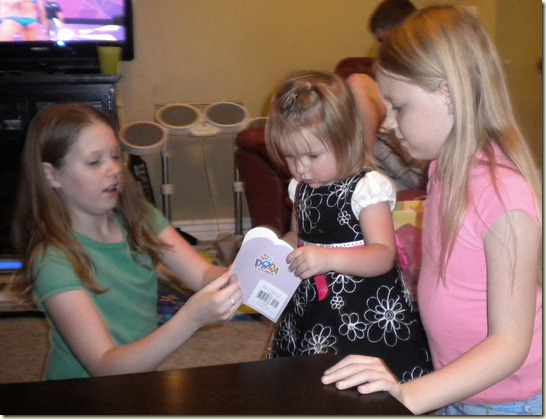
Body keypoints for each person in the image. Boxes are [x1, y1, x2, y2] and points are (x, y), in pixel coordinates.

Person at [321, 5, 542, 415]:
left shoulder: (503, 195)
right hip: (453, 384)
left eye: (399, 106)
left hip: (507, 402)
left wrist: (410, 395)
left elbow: (510, 344)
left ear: (448, 94)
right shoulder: (442, 169)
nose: (387, 123)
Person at [9, 102, 244, 380]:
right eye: (94, 162)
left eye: (115, 156)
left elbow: (203, 274)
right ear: (52, 175)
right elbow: (105, 366)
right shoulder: (53, 260)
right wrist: (191, 318)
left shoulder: (139, 217)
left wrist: (249, 272)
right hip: (82, 393)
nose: (113, 169)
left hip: (135, 379)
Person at [264, 70, 432, 382]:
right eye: (291, 157)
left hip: (362, 308)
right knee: (309, 373)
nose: (301, 168)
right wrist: (269, 254)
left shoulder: (367, 188)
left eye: (313, 155)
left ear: (346, 139)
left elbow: (383, 255)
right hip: (312, 302)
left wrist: (329, 259)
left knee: (361, 377)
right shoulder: (300, 186)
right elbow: (297, 235)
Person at [345, 0, 426, 193]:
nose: (384, 50)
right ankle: (360, 172)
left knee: (358, 83)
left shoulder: (429, 69)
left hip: (415, 166)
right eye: (381, 43)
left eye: (388, 41)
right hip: (384, 164)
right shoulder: (387, 73)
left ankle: (362, 174)